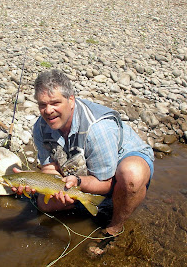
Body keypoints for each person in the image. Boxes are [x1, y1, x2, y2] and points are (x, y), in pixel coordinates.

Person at [12, 69, 154, 255]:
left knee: (131, 177)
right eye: (42, 105)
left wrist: (77, 183)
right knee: (45, 205)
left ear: (71, 100)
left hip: (120, 164)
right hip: (83, 167)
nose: (48, 111)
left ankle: (114, 227)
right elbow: (49, 168)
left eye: (55, 103)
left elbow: (105, 183)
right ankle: (90, 203)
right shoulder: (40, 127)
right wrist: (40, 183)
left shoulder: (98, 128)